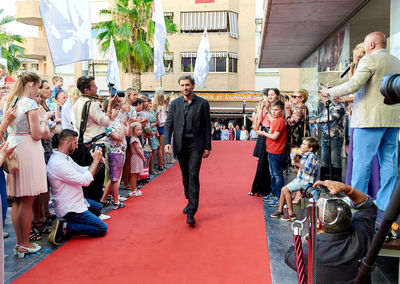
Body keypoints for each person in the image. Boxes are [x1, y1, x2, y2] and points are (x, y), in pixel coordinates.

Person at [320, 31, 400, 212]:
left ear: (371, 45)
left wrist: (329, 92)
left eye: (365, 45)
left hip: (369, 120)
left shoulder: (370, 60)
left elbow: (354, 85)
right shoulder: (396, 61)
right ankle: (385, 204)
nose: (364, 48)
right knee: (389, 162)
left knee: (361, 163)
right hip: (393, 119)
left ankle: (356, 204)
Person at [285, 180, 377, 283]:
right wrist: (347, 189)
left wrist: (307, 237)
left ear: (318, 224)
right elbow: (367, 206)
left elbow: (289, 255)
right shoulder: (361, 234)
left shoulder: (306, 251)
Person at [5, 72, 50, 258]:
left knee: (18, 199)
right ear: (31, 84)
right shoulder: (29, 103)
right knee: (28, 199)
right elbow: (37, 134)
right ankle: (24, 243)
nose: (38, 90)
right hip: (28, 150)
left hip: (14, 147)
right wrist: (45, 120)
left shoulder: (11, 100)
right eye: (38, 86)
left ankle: (19, 243)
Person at [164, 75, 211, 226]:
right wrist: (167, 143)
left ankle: (191, 211)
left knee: (193, 175)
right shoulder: (175, 104)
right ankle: (189, 198)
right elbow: (169, 124)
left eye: (187, 85)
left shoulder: (203, 103)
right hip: (180, 145)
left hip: (196, 145)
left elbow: (206, 126)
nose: (185, 88)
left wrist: (207, 147)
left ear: (193, 86)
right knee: (185, 177)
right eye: (182, 85)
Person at [47, 129, 108, 245]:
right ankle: (65, 227)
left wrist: (97, 162)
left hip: (77, 200)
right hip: (70, 208)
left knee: (98, 207)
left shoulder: (64, 158)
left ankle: (68, 223)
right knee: (102, 228)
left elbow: (82, 170)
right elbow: (84, 181)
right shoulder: (58, 163)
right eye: (75, 143)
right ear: (67, 142)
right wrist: (95, 161)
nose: (76, 147)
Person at [72, 76, 118, 202]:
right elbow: (106, 122)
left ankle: (89, 209)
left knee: (87, 179)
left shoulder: (77, 102)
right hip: (95, 144)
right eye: (94, 86)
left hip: (83, 143)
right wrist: (109, 107)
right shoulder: (91, 104)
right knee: (96, 180)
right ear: (86, 90)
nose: (97, 87)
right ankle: (95, 212)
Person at [270, 137, 319, 220]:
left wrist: (298, 163)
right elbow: (302, 167)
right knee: (283, 189)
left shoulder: (312, 157)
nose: (301, 145)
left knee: (286, 189)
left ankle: (291, 213)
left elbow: (308, 171)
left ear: (310, 148)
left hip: (306, 182)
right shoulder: (305, 156)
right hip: (300, 179)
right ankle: (280, 210)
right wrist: (296, 163)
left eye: (304, 144)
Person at [257, 101, 286, 206]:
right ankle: (273, 194)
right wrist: (265, 109)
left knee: (277, 176)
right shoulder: (275, 120)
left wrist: (263, 133)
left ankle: (278, 197)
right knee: (273, 175)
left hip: (276, 152)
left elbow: (274, 136)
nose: (273, 112)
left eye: (276, 110)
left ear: (282, 111)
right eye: (273, 110)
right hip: (271, 151)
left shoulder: (280, 121)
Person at [152, 87, 167, 172]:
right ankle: (160, 165)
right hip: (161, 127)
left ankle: (159, 165)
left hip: (156, 127)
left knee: (156, 148)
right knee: (160, 148)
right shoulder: (162, 106)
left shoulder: (154, 106)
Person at [129, 122, 146, 197]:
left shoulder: (136, 138)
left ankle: (134, 189)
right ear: (133, 130)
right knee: (134, 174)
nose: (139, 131)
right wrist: (143, 157)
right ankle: (133, 190)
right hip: (136, 157)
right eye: (137, 130)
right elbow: (137, 150)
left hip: (137, 157)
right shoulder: (133, 139)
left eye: (140, 129)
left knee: (136, 174)